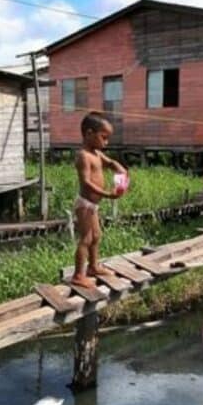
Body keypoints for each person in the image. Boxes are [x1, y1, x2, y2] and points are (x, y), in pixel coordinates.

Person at [71, 112, 127, 289]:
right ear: (89, 133)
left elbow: (110, 163)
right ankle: (78, 275)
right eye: (104, 137)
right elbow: (86, 183)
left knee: (97, 236)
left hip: (93, 205)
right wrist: (107, 194)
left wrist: (119, 169)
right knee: (86, 238)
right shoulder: (83, 156)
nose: (106, 142)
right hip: (85, 205)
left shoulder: (96, 153)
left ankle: (93, 267)